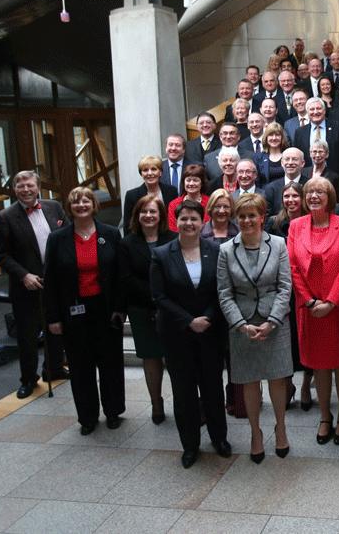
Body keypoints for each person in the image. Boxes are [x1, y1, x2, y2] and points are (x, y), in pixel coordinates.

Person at [149, 199, 231, 468]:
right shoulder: (161, 254)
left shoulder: (216, 251)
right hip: (177, 334)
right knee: (183, 392)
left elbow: (222, 289)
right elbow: (159, 296)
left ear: (202, 221)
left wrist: (206, 317)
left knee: (212, 389)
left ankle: (219, 438)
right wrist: (188, 320)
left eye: (194, 218)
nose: (189, 223)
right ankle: (190, 445)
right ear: (176, 221)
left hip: (210, 331)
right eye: (183, 218)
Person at [217, 194, 293, 463]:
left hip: (275, 322)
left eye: (252, 215)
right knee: (249, 382)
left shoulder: (279, 244)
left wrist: (272, 321)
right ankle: (255, 433)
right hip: (243, 325)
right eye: (242, 216)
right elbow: (224, 293)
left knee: (277, 379)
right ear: (236, 219)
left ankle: (281, 427)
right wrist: (240, 324)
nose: (247, 220)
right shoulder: (226, 250)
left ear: (262, 217)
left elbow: (285, 287)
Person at [44, 187, 126, 435]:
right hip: (73, 311)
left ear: (94, 205)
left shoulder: (110, 234)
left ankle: (113, 412)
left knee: (110, 363)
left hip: (106, 309)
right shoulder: (58, 239)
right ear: (70, 207)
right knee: (81, 367)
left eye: (86, 200)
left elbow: (121, 276)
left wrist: (120, 310)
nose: (81, 205)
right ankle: (87, 417)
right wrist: (53, 317)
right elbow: (50, 282)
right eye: (76, 201)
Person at [287, 177, 339, 445]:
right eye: (310, 192)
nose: (314, 196)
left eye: (320, 191)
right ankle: (325, 416)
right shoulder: (295, 226)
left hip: (337, 308)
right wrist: (308, 300)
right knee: (319, 366)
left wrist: (331, 301)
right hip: (309, 308)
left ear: (330, 196)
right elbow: (292, 267)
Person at [0, 170, 69, 399]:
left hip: (54, 282)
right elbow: (2, 255)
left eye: (30, 186)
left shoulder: (53, 207)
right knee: (27, 335)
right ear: (14, 190)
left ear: (38, 187)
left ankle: (53, 369)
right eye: (20, 186)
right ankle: (28, 379)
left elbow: (66, 235)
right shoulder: (5, 217)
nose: (26, 190)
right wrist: (24, 275)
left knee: (55, 328)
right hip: (26, 285)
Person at [118, 195, 177, 425]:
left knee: (174, 357)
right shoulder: (127, 243)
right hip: (142, 308)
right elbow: (126, 278)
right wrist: (155, 296)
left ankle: (181, 400)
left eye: (153, 212)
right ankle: (156, 403)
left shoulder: (173, 238)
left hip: (171, 309)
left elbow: (176, 272)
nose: (149, 216)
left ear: (161, 215)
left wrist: (164, 298)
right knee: (151, 358)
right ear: (137, 216)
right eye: (144, 212)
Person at [266, 182, 314, 411]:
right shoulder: (273, 223)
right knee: (286, 338)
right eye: (287, 196)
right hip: (280, 288)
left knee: (306, 337)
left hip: (306, 287)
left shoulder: (311, 221)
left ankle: (306, 384)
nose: (291, 200)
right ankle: (287, 383)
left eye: (296, 195)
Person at [122, 155, 178, 236]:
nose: (150, 173)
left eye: (154, 169)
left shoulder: (171, 191)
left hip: (167, 239)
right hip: (142, 240)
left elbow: (176, 219)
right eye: (145, 170)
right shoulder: (131, 195)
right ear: (141, 174)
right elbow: (128, 226)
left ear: (160, 172)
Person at [167, 164, 210, 231]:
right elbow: (173, 230)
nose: (191, 183)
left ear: (202, 183)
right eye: (188, 180)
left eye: (195, 180)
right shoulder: (173, 205)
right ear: (183, 183)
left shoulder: (210, 203)